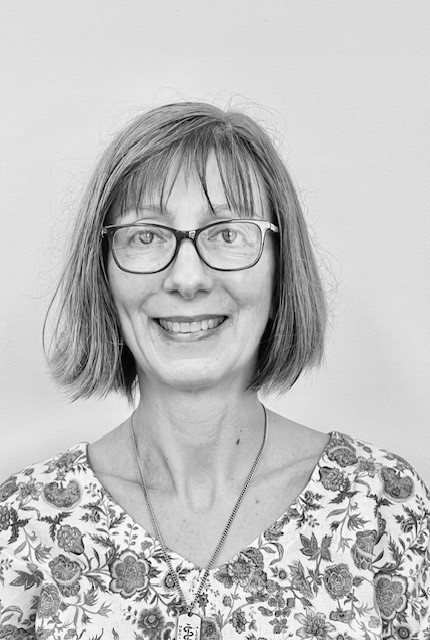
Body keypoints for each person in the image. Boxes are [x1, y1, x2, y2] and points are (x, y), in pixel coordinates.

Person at [0, 102, 429, 640]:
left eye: (227, 234)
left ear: (281, 266)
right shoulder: (25, 523)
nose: (187, 279)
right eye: (146, 236)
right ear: (102, 274)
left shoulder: (383, 505)